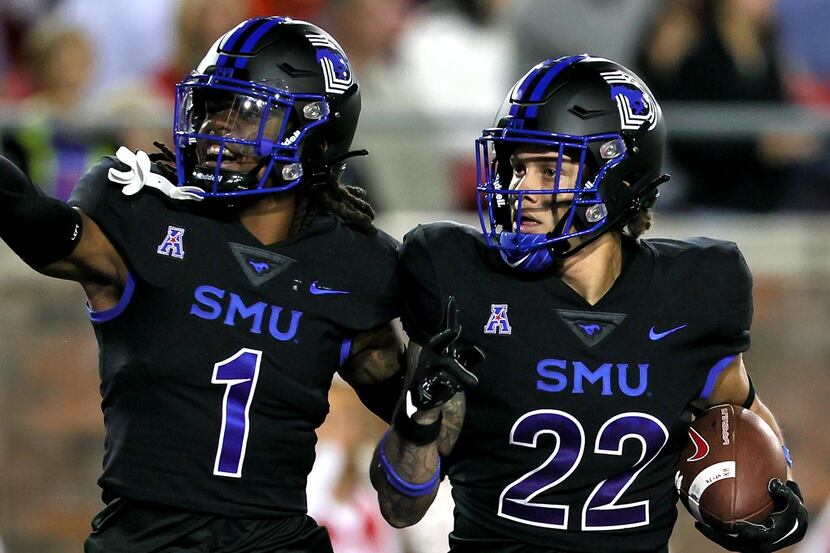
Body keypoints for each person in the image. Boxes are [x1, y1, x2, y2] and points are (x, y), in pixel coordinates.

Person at [371, 55, 809, 553]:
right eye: (517, 167)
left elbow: (740, 413)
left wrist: (777, 488)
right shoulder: (463, 281)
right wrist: (417, 414)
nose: (521, 191)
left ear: (616, 175)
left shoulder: (694, 296)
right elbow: (400, 507)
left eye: (548, 167)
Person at [0, 16, 407, 553]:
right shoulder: (142, 212)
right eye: (213, 106)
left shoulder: (357, 263)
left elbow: (412, 414)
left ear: (313, 129)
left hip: (278, 541)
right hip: (145, 538)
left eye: (246, 111)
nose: (217, 126)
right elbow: (40, 226)